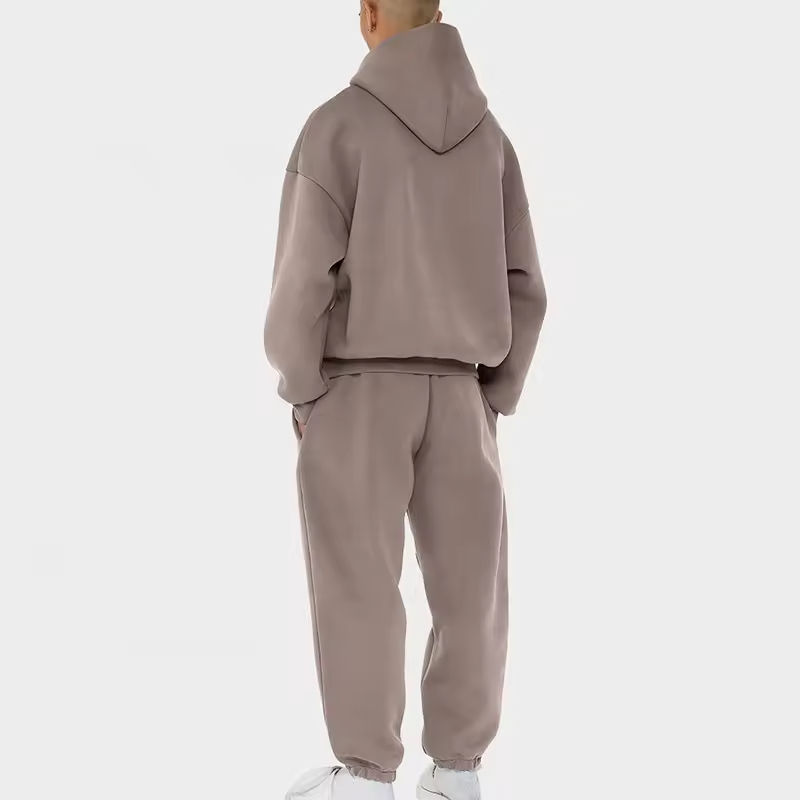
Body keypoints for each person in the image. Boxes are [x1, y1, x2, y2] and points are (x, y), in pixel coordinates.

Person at [264, 1, 546, 797]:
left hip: (357, 390)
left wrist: (302, 385)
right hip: (460, 392)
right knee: (471, 589)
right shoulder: (491, 141)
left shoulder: (337, 128)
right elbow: (525, 284)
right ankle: (457, 772)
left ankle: (364, 777)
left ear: (370, 15)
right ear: (439, 14)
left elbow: (301, 283)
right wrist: (495, 395)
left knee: (358, 584)